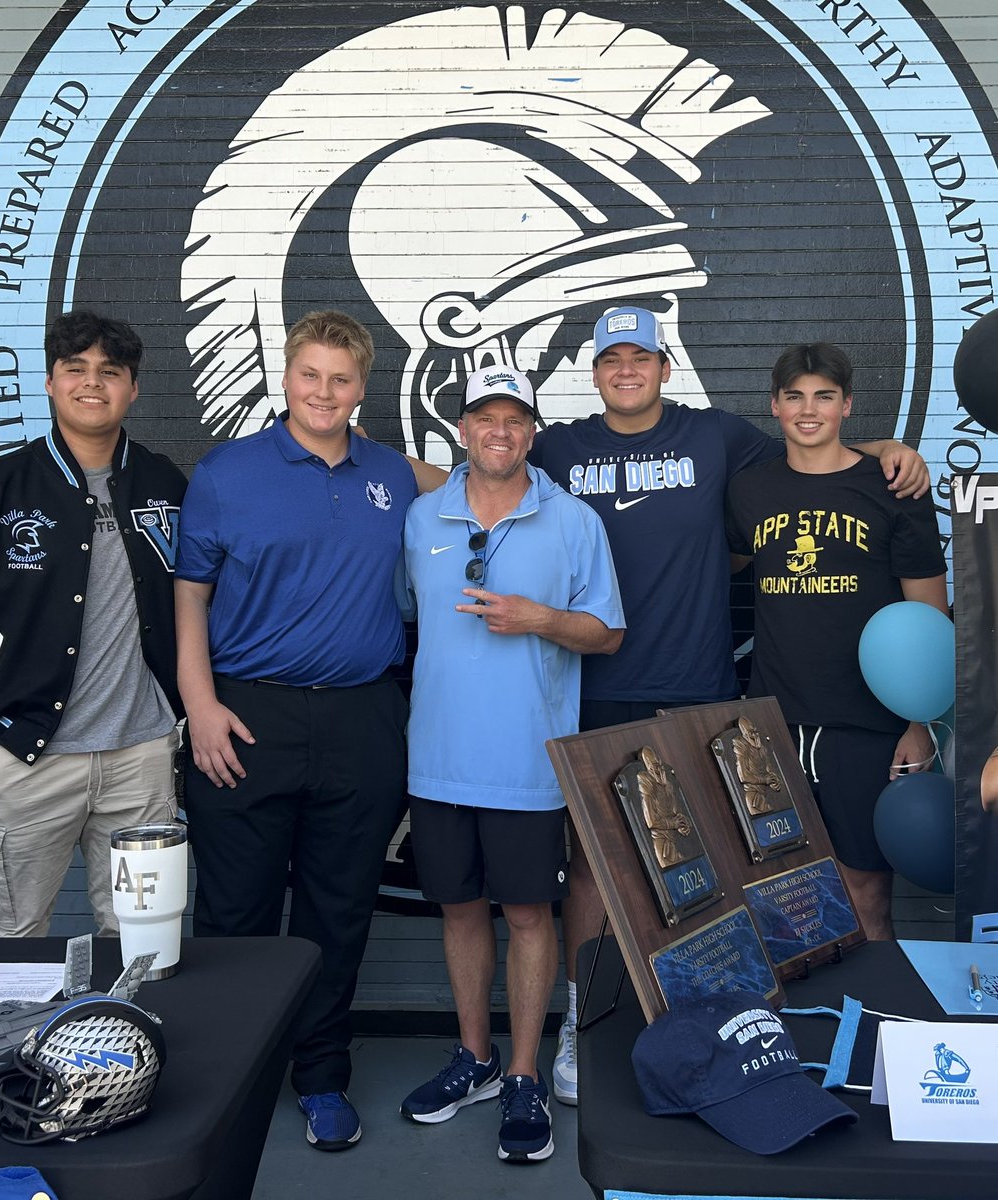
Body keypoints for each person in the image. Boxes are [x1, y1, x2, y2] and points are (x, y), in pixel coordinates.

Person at [527, 305, 931, 1103]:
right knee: (593, 876)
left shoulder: (717, 440)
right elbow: (481, 466)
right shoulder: (560, 447)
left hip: (706, 694)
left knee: (708, 880)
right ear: (596, 369)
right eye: (612, 360)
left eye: (640, 357)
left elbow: (826, 455)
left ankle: (724, 1030)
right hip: (594, 688)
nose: (626, 370)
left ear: (664, 367)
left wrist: (890, 450)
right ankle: (585, 1023)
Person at [174, 310, 417, 1153]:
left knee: (337, 910)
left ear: (363, 387)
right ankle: (223, 1083)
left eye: (341, 379)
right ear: (286, 377)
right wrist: (198, 705)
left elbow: (469, 482)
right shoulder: (226, 472)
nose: (324, 392)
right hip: (246, 713)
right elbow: (191, 596)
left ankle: (321, 1078)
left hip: (361, 716)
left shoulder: (393, 473)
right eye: (310, 375)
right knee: (235, 913)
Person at [0, 310, 185, 937]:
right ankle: (18, 1041)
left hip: (141, 762)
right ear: (50, 382)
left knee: (143, 938)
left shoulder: (166, 484)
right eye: (75, 369)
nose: (93, 383)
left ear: (133, 389)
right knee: (14, 941)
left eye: (111, 372)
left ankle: (129, 1039)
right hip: (27, 759)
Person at [398, 366, 624, 1163]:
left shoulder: (573, 520)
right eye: (486, 417)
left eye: (516, 419)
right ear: (461, 428)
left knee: (529, 916)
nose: (501, 431)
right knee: (460, 912)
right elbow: (400, 616)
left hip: (528, 765)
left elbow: (608, 634)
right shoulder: (423, 514)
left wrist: (543, 619)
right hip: (435, 763)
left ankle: (525, 1072)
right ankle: (476, 1060)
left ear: (533, 430)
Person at [726, 341, 947, 939]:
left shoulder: (892, 488)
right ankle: (793, 1032)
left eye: (824, 396)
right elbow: (716, 566)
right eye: (794, 396)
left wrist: (918, 723)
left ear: (847, 406)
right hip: (770, 722)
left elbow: (929, 615)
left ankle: (872, 1026)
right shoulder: (748, 492)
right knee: (778, 898)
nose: (808, 410)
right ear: (773, 405)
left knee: (865, 891)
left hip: (867, 724)